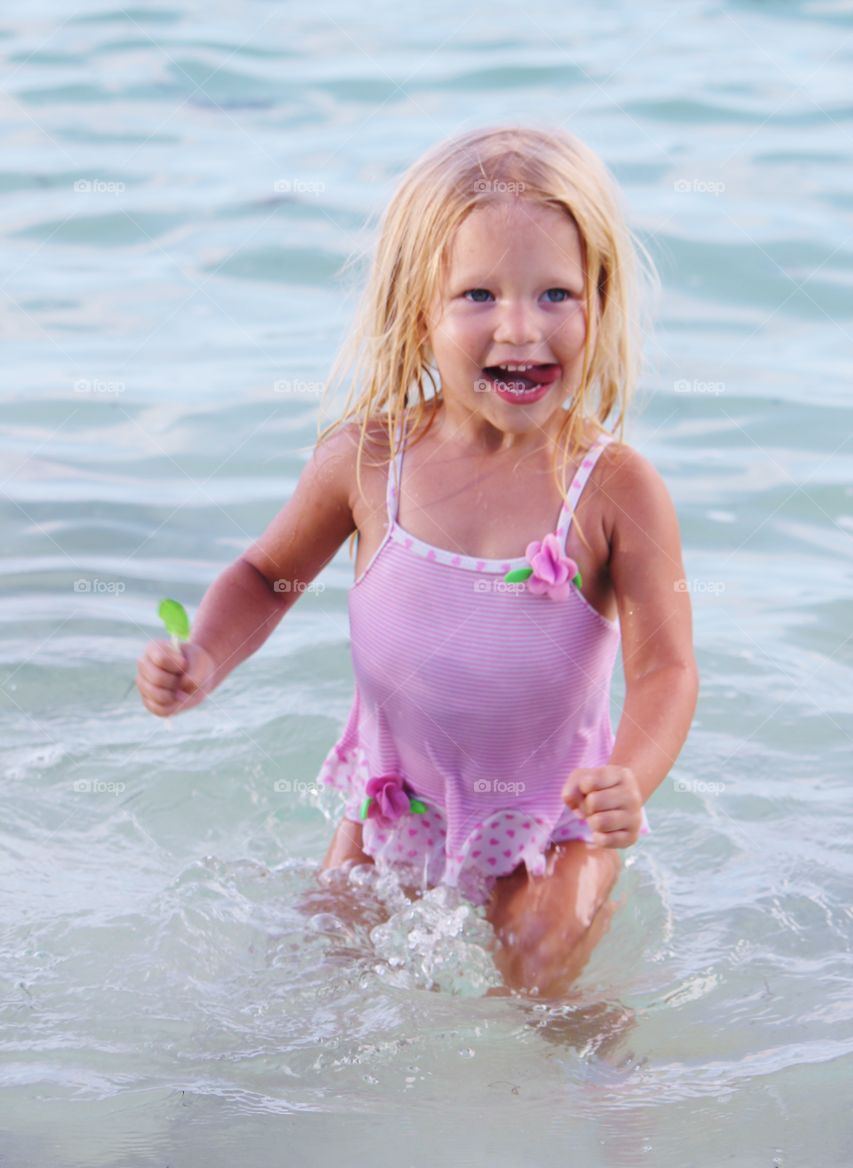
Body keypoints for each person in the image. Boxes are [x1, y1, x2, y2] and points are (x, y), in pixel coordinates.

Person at [135, 125, 700, 1000]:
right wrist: (206, 655)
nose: (521, 328)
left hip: (553, 824)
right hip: (390, 809)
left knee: (543, 976)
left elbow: (664, 666)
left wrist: (629, 778)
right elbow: (264, 576)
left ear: (598, 299)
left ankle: (613, 1118)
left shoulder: (614, 491)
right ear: (416, 311)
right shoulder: (365, 463)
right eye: (477, 294)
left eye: (555, 293)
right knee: (312, 982)